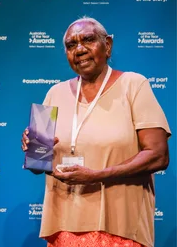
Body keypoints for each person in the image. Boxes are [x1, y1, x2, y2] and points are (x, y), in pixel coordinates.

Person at [21, 17, 170, 247]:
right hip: (64, 230)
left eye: (88, 40)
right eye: (71, 45)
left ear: (107, 45)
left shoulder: (134, 85)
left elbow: (159, 155)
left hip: (121, 230)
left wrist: (97, 176)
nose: (79, 49)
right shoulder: (54, 93)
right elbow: (36, 165)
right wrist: (33, 148)